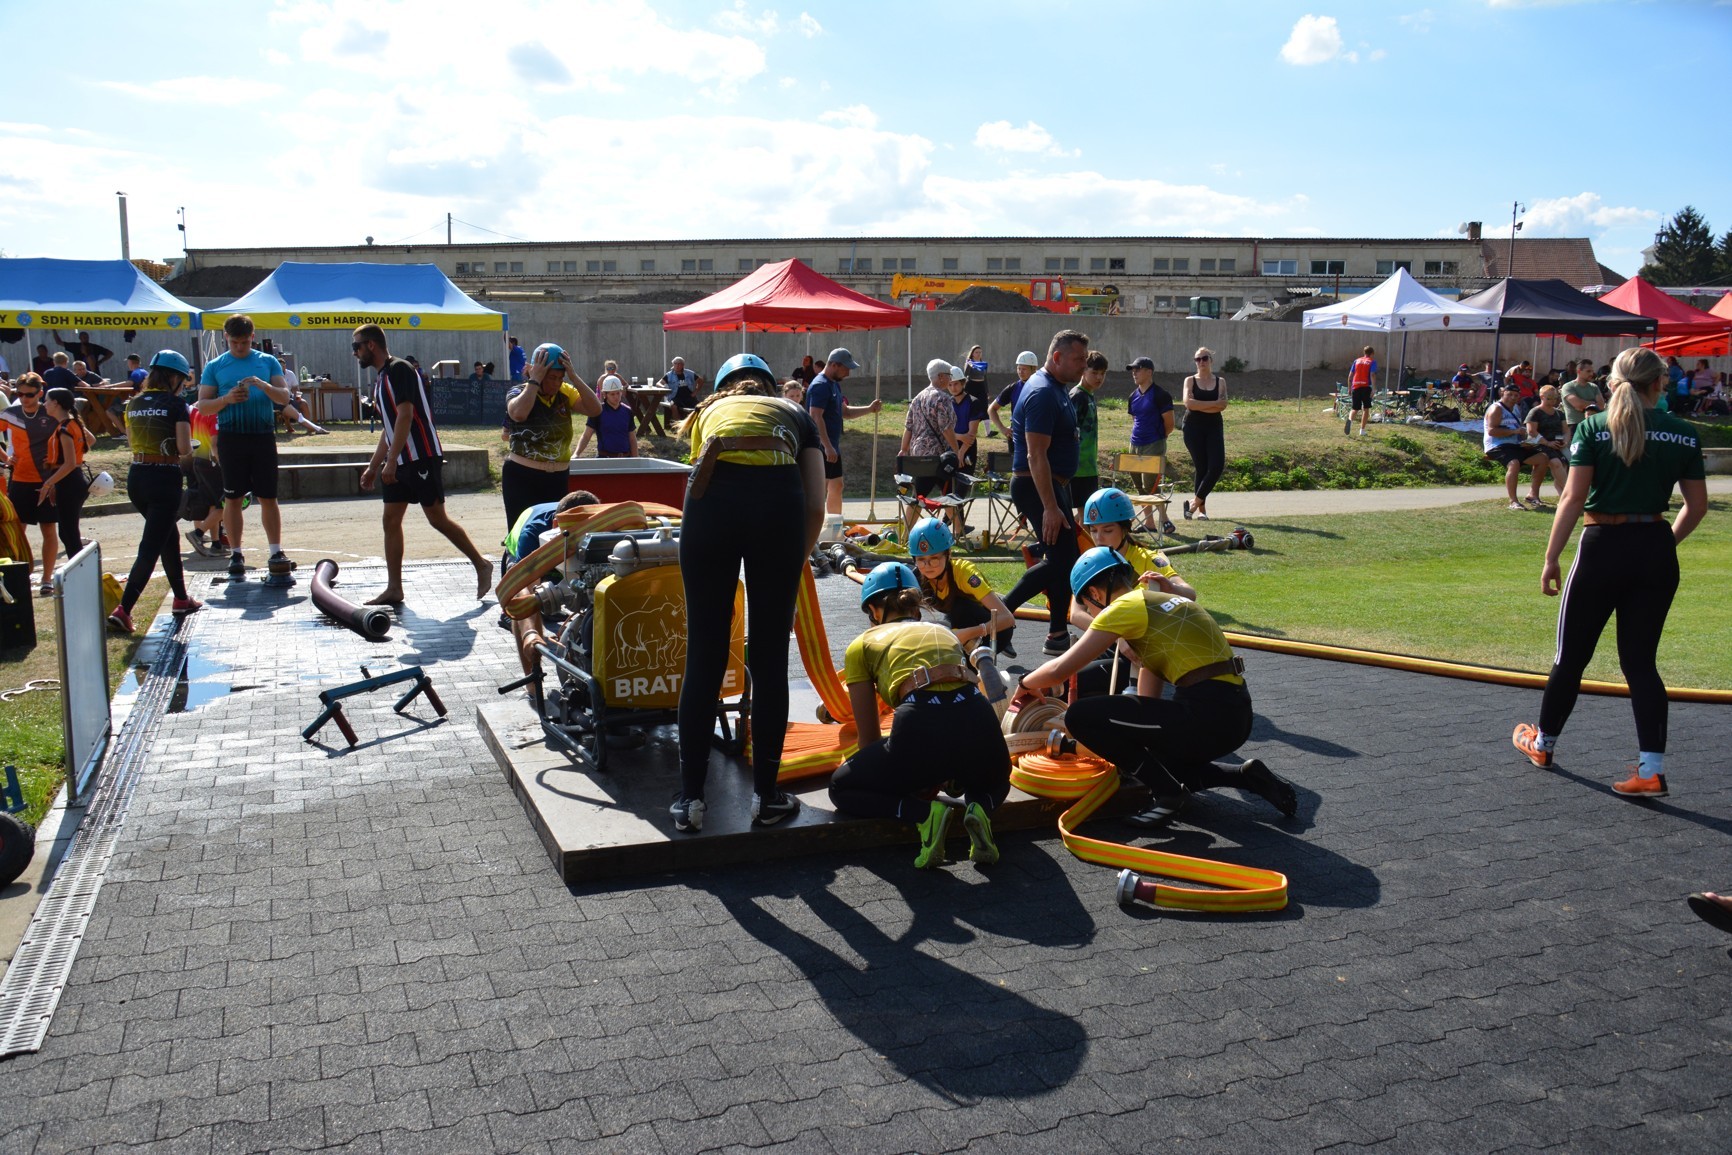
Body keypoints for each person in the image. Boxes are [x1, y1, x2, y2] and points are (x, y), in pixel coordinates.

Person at [1512, 347, 1708, 799]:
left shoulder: (1594, 427)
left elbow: (1572, 498)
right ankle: (1651, 770)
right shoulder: (1683, 432)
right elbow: (1696, 506)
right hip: (1655, 546)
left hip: (1602, 546)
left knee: (1571, 657)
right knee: (1641, 664)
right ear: (1659, 383)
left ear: (1612, 382)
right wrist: (1664, 544)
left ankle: (1543, 744)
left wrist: (1551, 558)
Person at [1013, 547, 1296, 829]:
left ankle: (1168, 794)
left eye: (1088, 606)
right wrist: (1125, 745)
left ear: (1095, 594)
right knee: (1151, 762)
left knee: (1080, 716)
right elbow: (1147, 708)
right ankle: (1243, 775)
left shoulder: (1124, 607)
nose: (1092, 613)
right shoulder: (1161, 605)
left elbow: (1061, 669)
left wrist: (1025, 683)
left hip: (1207, 716)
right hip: (1234, 716)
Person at [672, 353, 825, 834]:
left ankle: (691, 801)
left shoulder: (707, 411)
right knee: (768, 658)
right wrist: (792, 563)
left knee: (705, 655)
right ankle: (767, 797)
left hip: (710, 512)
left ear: (724, 387)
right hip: (778, 506)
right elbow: (817, 505)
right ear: (769, 387)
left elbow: (700, 478)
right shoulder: (794, 412)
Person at [828, 563, 1011, 869]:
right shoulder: (944, 632)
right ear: (915, 608)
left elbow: (868, 738)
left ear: (873, 610)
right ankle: (980, 808)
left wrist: (900, 774)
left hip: (919, 724)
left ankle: (925, 816)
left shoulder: (861, 644)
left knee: (841, 787)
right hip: (977, 717)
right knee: (998, 780)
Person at [353, 324, 493, 605]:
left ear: (371, 345)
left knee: (437, 519)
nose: (354, 353)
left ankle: (481, 564)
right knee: (390, 520)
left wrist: (391, 462)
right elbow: (389, 427)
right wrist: (374, 465)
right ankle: (395, 588)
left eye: (356, 346)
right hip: (400, 460)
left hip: (421, 457)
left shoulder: (399, 369)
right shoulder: (381, 378)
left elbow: (406, 415)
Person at [999, 330, 1088, 657]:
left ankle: (1057, 634)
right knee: (1063, 560)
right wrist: (1050, 507)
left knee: (1064, 560)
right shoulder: (1042, 393)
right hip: (1037, 486)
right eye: (1079, 359)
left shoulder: (1057, 388)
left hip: (1052, 485)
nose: (1084, 365)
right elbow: (1036, 455)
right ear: (1058, 357)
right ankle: (998, 617)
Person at [105, 351, 203, 633]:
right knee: (150, 547)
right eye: (183, 380)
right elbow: (183, 448)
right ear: (174, 377)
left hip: (137, 477)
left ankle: (181, 599)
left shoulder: (134, 402)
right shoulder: (177, 404)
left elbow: (132, 441)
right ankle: (124, 609)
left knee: (167, 537)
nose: (183, 385)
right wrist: (189, 447)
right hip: (164, 478)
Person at [196, 314, 295, 577]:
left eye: (245, 342)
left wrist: (264, 386)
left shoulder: (267, 361)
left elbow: (284, 397)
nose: (240, 347)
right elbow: (203, 406)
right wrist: (226, 399)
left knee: (268, 496)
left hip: (262, 436)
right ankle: (236, 553)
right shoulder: (215, 365)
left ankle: (275, 550)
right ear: (226, 338)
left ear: (253, 337)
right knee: (233, 498)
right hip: (231, 438)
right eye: (234, 342)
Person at [502, 342, 600, 530]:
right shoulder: (519, 391)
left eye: (560, 378)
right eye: (551, 377)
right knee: (522, 532)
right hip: (522, 477)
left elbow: (595, 409)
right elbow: (518, 414)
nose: (556, 383)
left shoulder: (565, 391)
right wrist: (534, 380)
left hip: (557, 478)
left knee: (554, 533)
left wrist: (574, 377)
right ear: (538, 373)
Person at [907, 517, 1015, 657]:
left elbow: (1007, 619)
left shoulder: (965, 573)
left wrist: (970, 633)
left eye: (934, 559)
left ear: (948, 554)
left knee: (960, 607)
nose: (927, 566)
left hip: (995, 631)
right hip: (960, 626)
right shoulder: (916, 577)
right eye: (921, 560)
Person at [1, 372, 64, 592]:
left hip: (48, 481)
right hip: (20, 480)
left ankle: (46, 580)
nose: (24, 398)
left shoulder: (52, 412)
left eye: (29, 394)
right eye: (19, 394)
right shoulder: (11, 413)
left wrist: (59, 458)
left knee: (49, 529)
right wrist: (6, 458)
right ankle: (17, 580)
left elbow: (78, 436)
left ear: (40, 393)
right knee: (16, 532)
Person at [805, 347, 881, 518]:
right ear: (834, 365)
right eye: (846, 368)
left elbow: (845, 412)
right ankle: (814, 528)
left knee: (837, 486)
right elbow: (815, 416)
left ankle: (835, 524)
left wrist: (869, 409)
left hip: (832, 447)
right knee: (819, 490)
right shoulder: (820, 386)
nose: (848, 373)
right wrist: (827, 446)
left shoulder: (833, 385)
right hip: (820, 447)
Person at [899, 359, 965, 534]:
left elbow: (908, 427)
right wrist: (956, 451)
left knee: (921, 495)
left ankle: (906, 534)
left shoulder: (917, 398)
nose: (950, 380)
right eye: (949, 376)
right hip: (939, 457)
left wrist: (904, 449)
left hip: (919, 456)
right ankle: (959, 533)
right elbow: (946, 428)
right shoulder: (942, 398)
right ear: (941, 377)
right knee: (948, 495)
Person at [36, 388, 93, 563]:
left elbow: (69, 463)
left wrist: (48, 484)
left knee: (69, 533)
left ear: (55, 403)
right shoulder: (73, 423)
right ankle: (80, 569)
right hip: (73, 479)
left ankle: (80, 570)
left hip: (70, 481)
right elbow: (91, 440)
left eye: (46, 400)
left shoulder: (64, 428)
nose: (44, 404)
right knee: (68, 531)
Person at [1125, 355, 1176, 533]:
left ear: (1149, 372)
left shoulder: (1161, 395)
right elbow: (1135, 420)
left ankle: (1164, 520)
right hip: (1134, 444)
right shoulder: (1133, 396)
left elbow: (1169, 424)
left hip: (1154, 444)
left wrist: (1159, 439)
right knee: (1139, 486)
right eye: (1132, 370)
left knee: (1151, 486)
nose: (1134, 373)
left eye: (1138, 369)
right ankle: (1149, 523)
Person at [1484, 383, 1549, 511]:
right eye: (1510, 394)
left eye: (1516, 395)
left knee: (1543, 458)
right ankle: (1513, 501)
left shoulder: (1516, 409)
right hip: (1497, 445)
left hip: (1515, 444)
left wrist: (1525, 439)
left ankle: (1533, 495)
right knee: (1514, 463)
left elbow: (1517, 429)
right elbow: (1492, 431)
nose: (1513, 398)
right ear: (1503, 393)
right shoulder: (1496, 409)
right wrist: (1513, 432)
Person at [1180, 346, 1228, 521]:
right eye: (1197, 359)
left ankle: (1193, 504)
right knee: (1201, 468)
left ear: (1211, 360)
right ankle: (1202, 511)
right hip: (1192, 427)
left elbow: (1223, 405)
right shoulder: (1190, 380)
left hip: (1214, 426)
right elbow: (1188, 404)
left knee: (1216, 466)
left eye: (1204, 358)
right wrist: (1213, 404)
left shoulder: (1220, 381)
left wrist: (1200, 404)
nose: (1201, 362)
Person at [502, 488, 599, 567]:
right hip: (517, 549)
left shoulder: (600, 522)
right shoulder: (532, 533)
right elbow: (523, 578)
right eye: (575, 535)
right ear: (555, 525)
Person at [181, 404, 228, 558]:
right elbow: (215, 444)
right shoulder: (215, 414)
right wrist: (223, 464)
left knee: (212, 504)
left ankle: (216, 543)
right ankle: (198, 533)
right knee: (225, 503)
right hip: (211, 462)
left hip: (198, 460)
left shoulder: (198, 411)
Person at [1069, 351, 1107, 518]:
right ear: (1083, 370)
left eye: (1102, 373)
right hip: (1078, 469)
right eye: (1094, 372)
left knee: (1086, 513)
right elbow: (1068, 431)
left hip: (1089, 467)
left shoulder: (1089, 395)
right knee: (1087, 515)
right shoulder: (1077, 396)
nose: (1099, 377)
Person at [1522, 385, 1569, 507]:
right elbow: (1531, 431)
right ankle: (1570, 495)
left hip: (1557, 445)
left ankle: (1564, 499)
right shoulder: (1535, 412)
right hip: (1539, 444)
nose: (1552, 401)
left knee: (1564, 466)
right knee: (1556, 463)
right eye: (1549, 398)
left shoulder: (1559, 413)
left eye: (1555, 398)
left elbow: (1566, 430)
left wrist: (1565, 441)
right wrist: (1547, 443)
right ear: (1541, 397)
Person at [575, 376, 637, 458]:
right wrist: (576, 454)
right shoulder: (597, 411)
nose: (616, 397)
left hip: (625, 458)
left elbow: (632, 438)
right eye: (612, 394)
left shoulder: (627, 411)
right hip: (605, 459)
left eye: (618, 393)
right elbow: (586, 435)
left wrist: (636, 458)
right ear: (604, 394)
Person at [986, 350, 1039, 444]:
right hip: (1017, 436)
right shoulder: (1013, 388)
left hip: (1037, 436)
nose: (1020, 372)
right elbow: (991, 409)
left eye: (1024, 369)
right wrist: (1002, 428)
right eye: (1019, 368)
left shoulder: (1042, 388)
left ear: (1034, 369)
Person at [1560, 359, 1603, 432]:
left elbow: (1601, 405)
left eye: (1592, 371)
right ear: (1579, 371)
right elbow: (1578, 404)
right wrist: (1594, 404)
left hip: (1592, 424)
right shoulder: (1568, 387)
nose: (1591, 374)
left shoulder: (1594, 387)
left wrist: (1584, 405)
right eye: (1588, 371)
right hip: (1575, 426)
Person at [1346, 345, 1377, 436]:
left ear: (1364, 353)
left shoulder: (1356, 361)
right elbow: (1372, 375)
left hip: (1355, 386)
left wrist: (1349, 388)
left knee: (1354, 408)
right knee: (1366, 409)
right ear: (1372, 353)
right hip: (1366, 387)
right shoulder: (1372, 362)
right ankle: (1362, 430)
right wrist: (1374, 389)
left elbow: (1350, 376)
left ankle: (1350, 421)